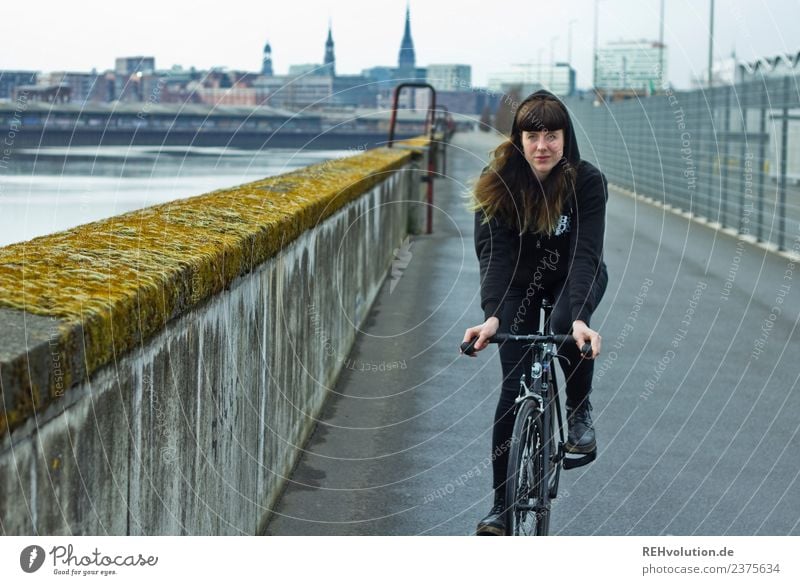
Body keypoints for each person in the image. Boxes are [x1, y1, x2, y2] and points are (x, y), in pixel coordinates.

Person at [462, 90, 609, 536]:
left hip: (573, 279)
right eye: (532, 135)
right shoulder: (498, 182)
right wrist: (492, 317)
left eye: (552, 135)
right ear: (519, 139)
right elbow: (496, 256)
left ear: (566, 139)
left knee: (566, 329)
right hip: (517, 284)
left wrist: (581, 317)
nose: (542, 145)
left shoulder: (586, 181)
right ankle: (499, 510)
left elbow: (586, 253)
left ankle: (578, 408)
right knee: (514, 385)